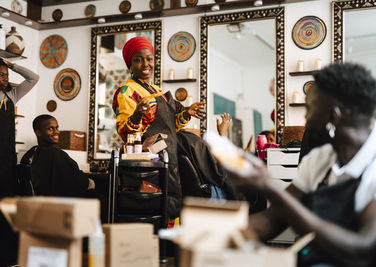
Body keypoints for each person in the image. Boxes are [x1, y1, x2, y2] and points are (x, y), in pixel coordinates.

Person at [226, 63, 376, 266]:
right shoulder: (321, 159)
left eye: (310, 108)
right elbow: (274, 218)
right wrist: (223, 235)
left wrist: (269, 188)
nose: (305, 117)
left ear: (334, 115)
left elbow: (361, 249)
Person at [112, 37, 205, 219]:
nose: (145, 64)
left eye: (149, 59)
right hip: (149, 163)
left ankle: (169, 246)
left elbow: (172, 126)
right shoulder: (126, 92)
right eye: (138, 60)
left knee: (174, 204)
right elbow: (125, 133)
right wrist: (137, 115)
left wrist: (186, 113)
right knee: (158, 209)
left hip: (170, 157)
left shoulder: (158, 90)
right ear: (129, 65)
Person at [0, 55, 39, 266]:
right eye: (1, 75)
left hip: (6, 162)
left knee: (6, 210)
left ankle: (4, 257)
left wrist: (12, 64)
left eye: (7, 75)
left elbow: (33, 78)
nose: (5, 78)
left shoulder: (11, 96)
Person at [29, 114, 95, 197]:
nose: (57, 131)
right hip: (60, 202)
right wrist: (90, 182)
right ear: (38, 132)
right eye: (50, 128)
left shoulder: (35, 153)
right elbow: (78, 181)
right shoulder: (56, 155)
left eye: (57, 128)